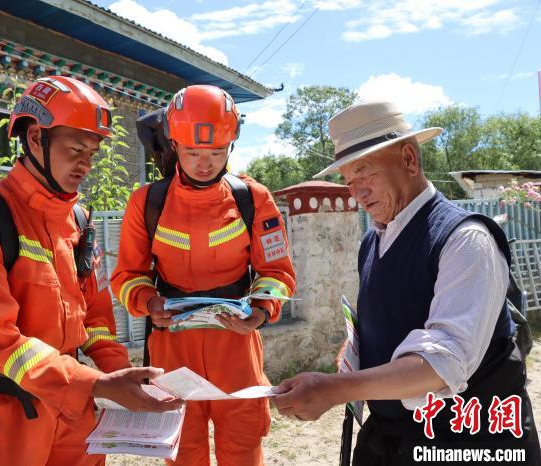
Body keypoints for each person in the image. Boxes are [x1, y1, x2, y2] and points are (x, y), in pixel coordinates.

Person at [273, 101, 540, 465]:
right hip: (392, 440)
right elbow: (395, 316)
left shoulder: (465, 240)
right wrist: (359, 349)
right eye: (349, 182)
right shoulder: (373, 240)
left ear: (409, 160)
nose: (357, 193)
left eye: (365, 174)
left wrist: (335, 389)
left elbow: (443, 362)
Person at [0, 76, 182, 466]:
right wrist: (96, 383)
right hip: (7, 416)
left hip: (75, 414)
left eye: (92, 152)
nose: (85, 164)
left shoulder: (79, 222)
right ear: (35, 138)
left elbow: (96, 320)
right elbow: (0, 340)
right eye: (75, 149)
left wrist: (125, 376)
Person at [111, 84, 296, 466]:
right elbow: (127, 274)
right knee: (182, 450)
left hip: (236, 344)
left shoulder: (253, 198)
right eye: (193, 152)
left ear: (232, 145)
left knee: (244, 446)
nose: (205, 163)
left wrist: (260, 311)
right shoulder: (147, 203)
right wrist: (149, 302)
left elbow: (276, 273)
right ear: (174, 145)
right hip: (172, 346)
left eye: (216, 152)